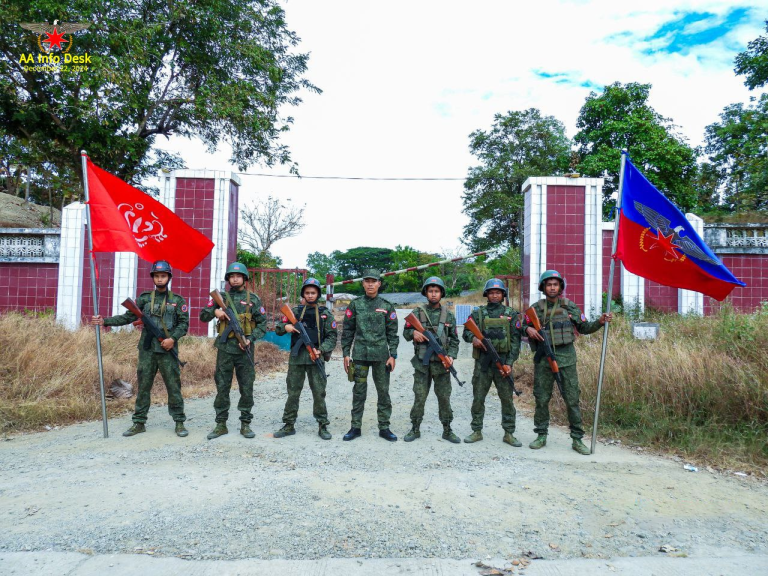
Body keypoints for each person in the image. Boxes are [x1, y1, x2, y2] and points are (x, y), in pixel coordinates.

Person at [91, 260, 189, 437]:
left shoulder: (177, 300)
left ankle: (179, 422)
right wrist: (105, 321)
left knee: (173, 387)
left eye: (163, 276)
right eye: (157, 276)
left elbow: (184, 324)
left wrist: (172, 339)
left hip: (167, 351)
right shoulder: (144, 299)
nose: (160, 279)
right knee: (143, 387)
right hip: (147, 351)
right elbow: (127, 317)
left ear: (169, 277)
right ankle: (139, 422)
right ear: (153, 277)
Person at [525, 270, 613, 455]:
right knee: (541, 399)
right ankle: (541, 435)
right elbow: (517, 325)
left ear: (560, 287)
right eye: (548, 284)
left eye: (555, 284)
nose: (552, 287)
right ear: (543, 287)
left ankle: (577, 439)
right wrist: (527, 329)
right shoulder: (536, 308)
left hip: (566, 359)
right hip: (543, 361)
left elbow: (584, 327)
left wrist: (600, 321)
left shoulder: (570, 306)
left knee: (572, 399)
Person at [199, 262, 267, 440]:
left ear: (245, 279)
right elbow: (202, 316)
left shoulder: (253, 299)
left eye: (238, 276)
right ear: (228, 279)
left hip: (245, 351)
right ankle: (221, 424)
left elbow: (263, 325)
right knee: (222, 387)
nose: (235, 279)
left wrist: (249, 339)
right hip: (225, 350)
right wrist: (216, 311)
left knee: (247, 387)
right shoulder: (220, 297)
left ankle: (245, 424)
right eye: (232, 276)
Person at [273, 278, 338, 440]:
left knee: (319, 393)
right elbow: (278, 328)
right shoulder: (294, 312)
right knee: (293, 393)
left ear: (318, 294)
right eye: (307, 293)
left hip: (316, 358)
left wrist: (321, 350)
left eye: (313, 293)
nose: (310, 296)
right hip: (297, 358)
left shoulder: (325, 314)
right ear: (303, 294)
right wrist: (286, 327)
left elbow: (332, 337)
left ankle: (323, 425)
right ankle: (289, 425)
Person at [461, 278, 523, 447]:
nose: (495, 295)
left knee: (507, 400)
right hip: (482, 364)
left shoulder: (512, 314)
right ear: (486, 294)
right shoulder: (477, 313)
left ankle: (509, 433)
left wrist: (509, 363)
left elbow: (516, 342)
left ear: (503, 294)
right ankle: (476, 431)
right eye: (491, 292)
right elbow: (466, 333)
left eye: (498, 292)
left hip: (502, 363)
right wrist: (473, 338)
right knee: (478, 398)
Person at [341, 269, 400, 441]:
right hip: (360, 355)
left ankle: (384, 427)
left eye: (373, 281)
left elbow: (392, 333)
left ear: (379, 284)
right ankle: (355, 427)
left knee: (383, 393)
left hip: (381, 356)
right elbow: (347, 331)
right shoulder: (355, 305)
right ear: (363, 283)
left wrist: (393, 355)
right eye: (367, 281)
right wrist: (346, 353)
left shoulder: (387, 306)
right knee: (359, 392)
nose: (370, 284)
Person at [402, 276, 461, 443]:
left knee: (444, 397)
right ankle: (415, 428)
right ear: (426, 293)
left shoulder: (448, 316)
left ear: (441, 293)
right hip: (422, 365)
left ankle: (447, 429)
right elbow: (406, 333)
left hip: (442, 366)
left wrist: (451, 356)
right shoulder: (417, 313)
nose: (433, 294)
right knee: (419, 396)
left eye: (436, 291)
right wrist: (413, 333)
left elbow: (455, 340)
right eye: (430, 291)